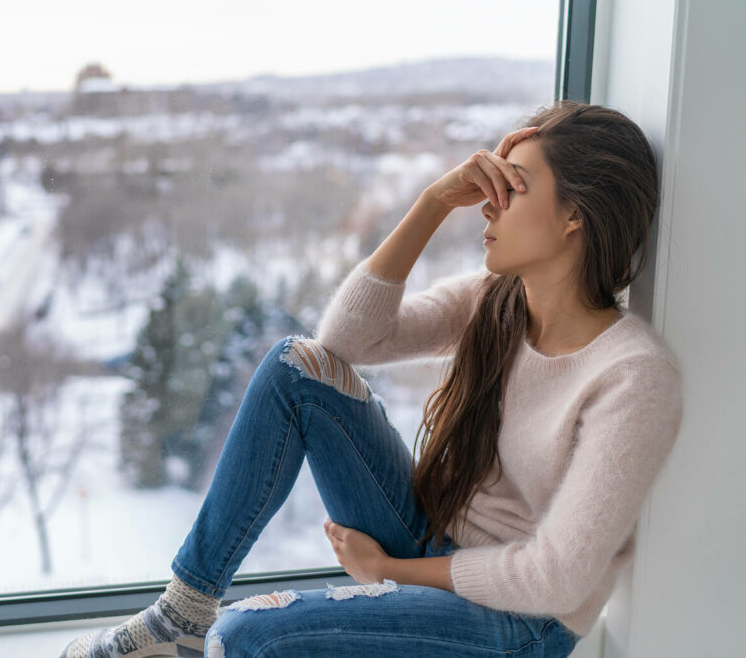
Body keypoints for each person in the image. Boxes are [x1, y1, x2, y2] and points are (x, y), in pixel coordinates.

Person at [59, 100, 684, 657]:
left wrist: (391, 570)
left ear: (574, 213)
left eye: (513, 188)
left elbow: (558, 579)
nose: (489, 205)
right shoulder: (492, 302)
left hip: (520, 621)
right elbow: (341, 345)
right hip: (434, 539)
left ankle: (204, 633)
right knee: (292, 366)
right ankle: (180, 614)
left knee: (247, 637)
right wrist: (432, 201)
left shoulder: (631, 376)